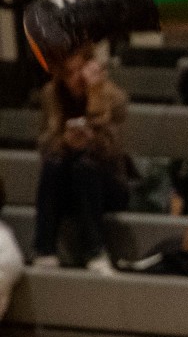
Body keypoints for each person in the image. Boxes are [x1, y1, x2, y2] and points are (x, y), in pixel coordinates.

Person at [31, 49, 128, 274]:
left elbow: (113, 152)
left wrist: (94, 99)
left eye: (79, 71)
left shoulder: (113, 97)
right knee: (53, 165)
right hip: (67, 181)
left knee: (84, 167)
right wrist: (64, 142)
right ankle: (44, 250)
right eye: (68, 73)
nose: (75, 78)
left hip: (107, 183)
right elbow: (44, 146)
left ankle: (95, 251)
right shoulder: (51, 95)